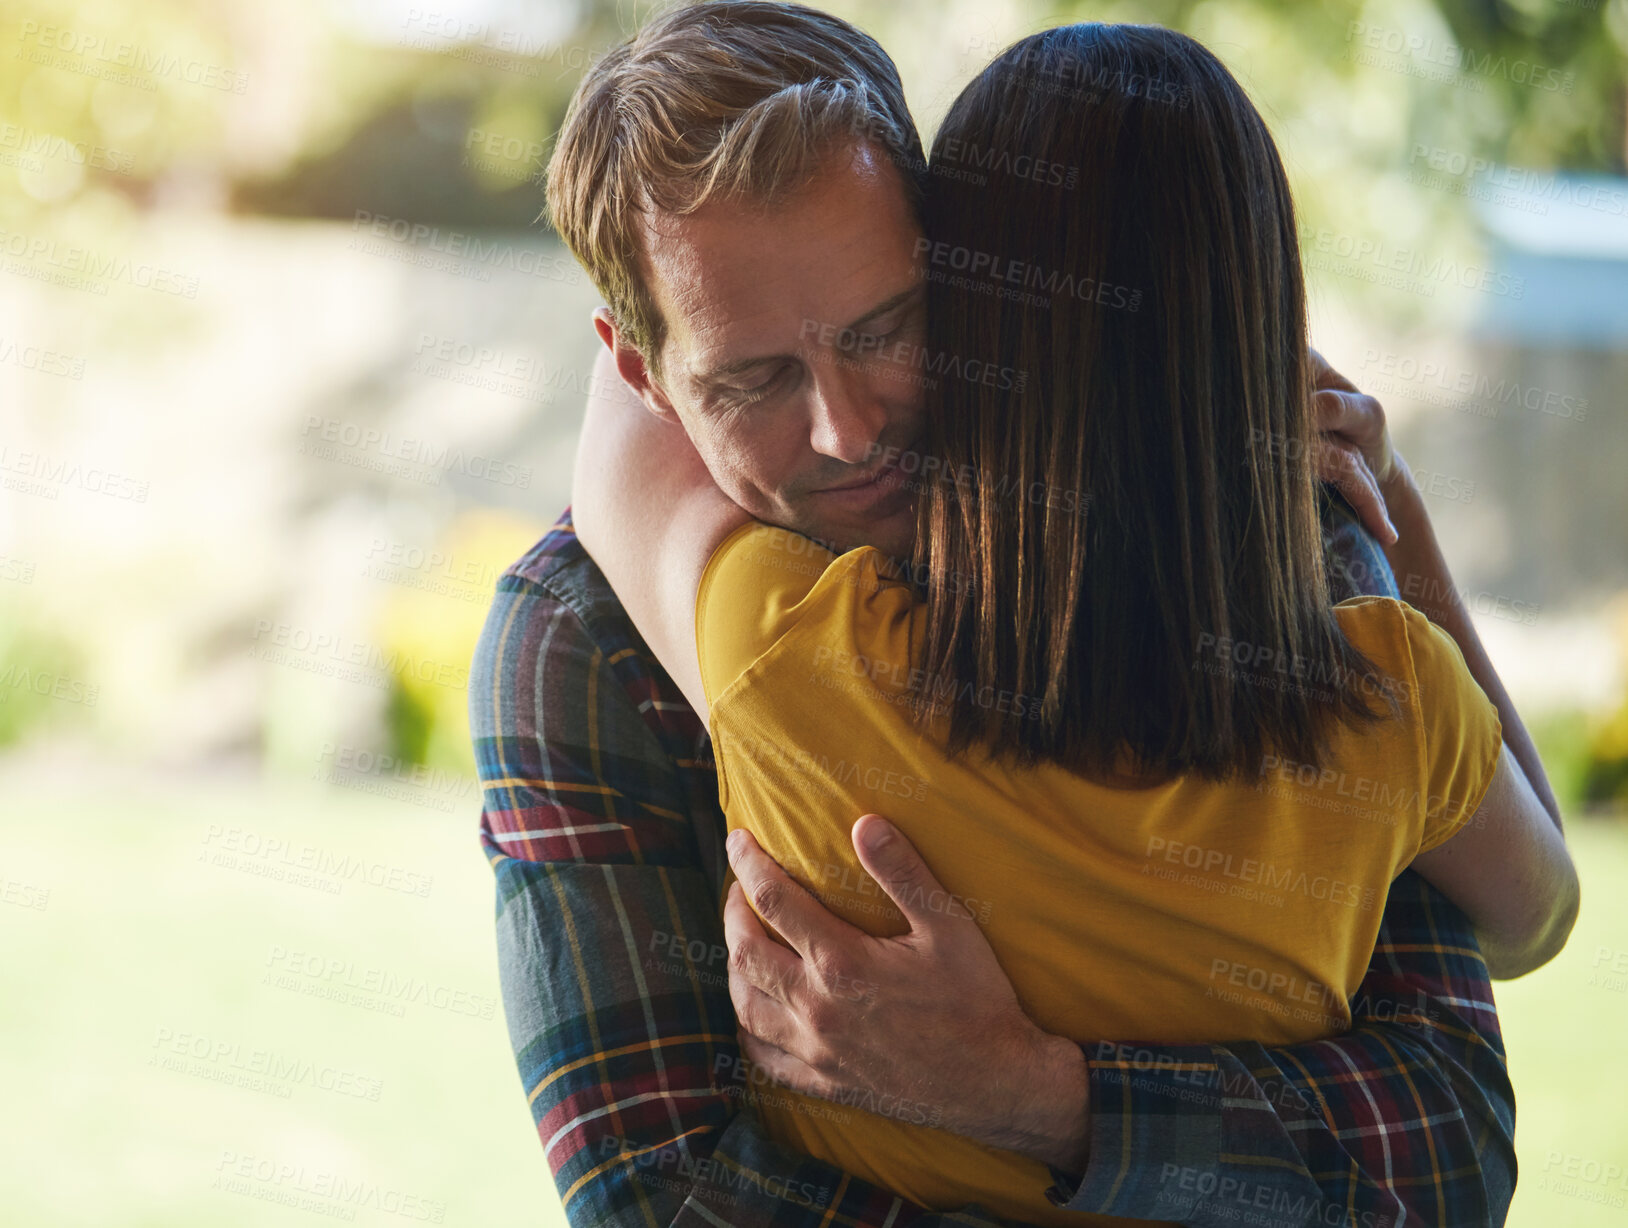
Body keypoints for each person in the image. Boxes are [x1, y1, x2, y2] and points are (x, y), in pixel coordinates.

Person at [472, 4, 1526, 1225]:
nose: (847, 432)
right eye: (750, 379)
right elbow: (667, 1200)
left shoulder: (1241, 536)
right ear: (639, 370)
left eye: (889, 331)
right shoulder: (580, 640)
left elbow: (1450, 1143)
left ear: (971, 277)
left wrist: (1041, 1097)